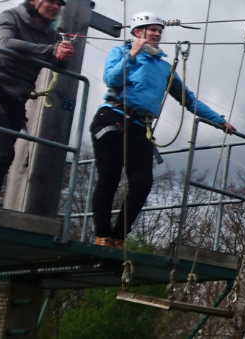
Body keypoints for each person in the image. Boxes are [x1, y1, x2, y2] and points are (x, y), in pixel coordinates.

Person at [90, 12, 235, 249]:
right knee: (110, 177)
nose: (158, 34)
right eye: (152, 30)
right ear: (138, 32)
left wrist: (219, 121)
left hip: (139, 126)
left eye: (159, 30)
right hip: (112, 118)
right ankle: (102, 235)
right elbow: (111, 79)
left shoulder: (164, 67)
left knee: (142, 183)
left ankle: (119, 236)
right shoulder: (122, 53)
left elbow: (188, 99)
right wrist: (133, 54)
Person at [0, 0, 74, 206]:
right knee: (3, 153)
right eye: (51, 1)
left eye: (59, 4)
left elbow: (57, 64)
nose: (55, 7)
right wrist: (50, 50)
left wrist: (62, 53)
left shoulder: (50, 35)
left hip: (15, 102)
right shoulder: (10, 16)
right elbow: (5, 42)